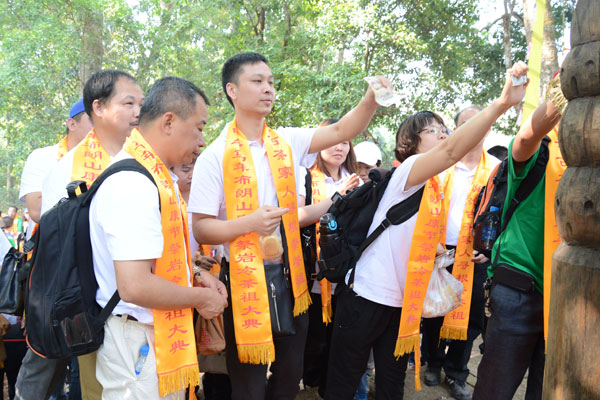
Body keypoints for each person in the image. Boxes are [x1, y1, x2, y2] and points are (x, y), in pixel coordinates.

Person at [189, 52, 387, 400]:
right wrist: (249, 224)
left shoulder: (287, 141)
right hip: (243, 282)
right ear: (232, 90)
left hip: (291, 278)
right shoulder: (214, 156)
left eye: (270, 81)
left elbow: (343, 130)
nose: (268, 88)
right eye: (257, 81)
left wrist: (371, 98)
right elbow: (202, 229)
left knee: (288, 377)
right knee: (249, 385)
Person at [325, 62, 529, 400]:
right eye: (433, 130)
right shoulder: (408, 172)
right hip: (367, 295)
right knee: (343, 385)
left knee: (391, 387)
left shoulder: (434, 187)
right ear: (411, 141)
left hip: (401, 305)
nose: (444, 134)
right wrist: (502, 103)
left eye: (444, 128)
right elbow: (451, 152)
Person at [89, 76, 226, 399]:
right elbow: (135, 285)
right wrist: (200, 299)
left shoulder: (155, 177)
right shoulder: (133, 183)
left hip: (151, 334)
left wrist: (195, 275)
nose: (201, 141)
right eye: (199, 127)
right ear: (168, 122)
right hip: (136, 339)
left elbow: (157, 259)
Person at [16, 71, 143, 400]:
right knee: (96, 386)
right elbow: (55, 244)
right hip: (93, 301)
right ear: (98, 108)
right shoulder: (67, 169)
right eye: (128, 103)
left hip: (140, 303)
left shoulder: (144, 160)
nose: (138, 113)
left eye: (140, 104)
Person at [472, 79, 565, 400]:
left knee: (546, 391)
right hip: (519, 292)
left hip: (570, 299)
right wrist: (564, 94)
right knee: (494, 389)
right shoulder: (542, 149)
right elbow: (526, 136)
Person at [420, 106, 501, 400]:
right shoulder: (441, 164)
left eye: (481, 122)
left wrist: (491, 248)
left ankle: (457, 372)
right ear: (455, 130)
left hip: (475, 254)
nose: (475, 127)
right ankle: (433, 363)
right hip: (440, 251)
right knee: (434, 311)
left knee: (471, 316)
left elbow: (504, 211)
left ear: (488, 128)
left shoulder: (496, 168)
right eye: (467, 123)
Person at [298, 118, 360, 399]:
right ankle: (309, 379)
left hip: (345, 272)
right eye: (333, 141)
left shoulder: (357, 180)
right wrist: (339, 195)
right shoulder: (306, 177)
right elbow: (298, 218)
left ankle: (327, 386)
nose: (339, 147)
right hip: (313, 270)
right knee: (314, 338)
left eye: (345, 142)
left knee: (338, 338)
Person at [18, 98, 92, 239]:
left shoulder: (111, 159)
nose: (101, 126)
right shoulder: (41, 157)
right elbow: (37, 211)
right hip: (52, 245)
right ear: (72, 124)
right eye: (93, 120)